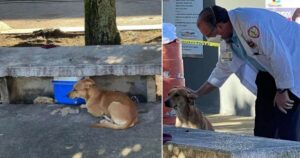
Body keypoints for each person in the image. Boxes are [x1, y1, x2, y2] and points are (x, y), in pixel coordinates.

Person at [189, 5, 300, 141]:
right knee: (262, 126)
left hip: (293, 68)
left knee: (285, 126)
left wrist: (282, 90)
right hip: (268, 73)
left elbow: (279, 56)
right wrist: (197, 93)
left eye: (209, 35)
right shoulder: (227, 41)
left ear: (220, 27)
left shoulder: (251, 23)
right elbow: (221, 71)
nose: (209, 39)